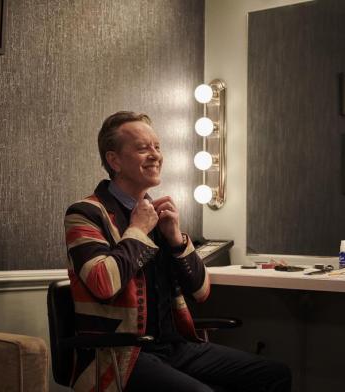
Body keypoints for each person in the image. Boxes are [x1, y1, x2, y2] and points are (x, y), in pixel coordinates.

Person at [64, 111, 292, 392]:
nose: (155, 155)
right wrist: (137, 231)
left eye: (157, 147)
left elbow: (201, 292)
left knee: (274, 374)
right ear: (114, 161)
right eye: (142, 148)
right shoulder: (85, 213)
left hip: (174, 347)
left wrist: (176, 239)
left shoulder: (158, 215)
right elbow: (102, 283)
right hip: (121, 355)